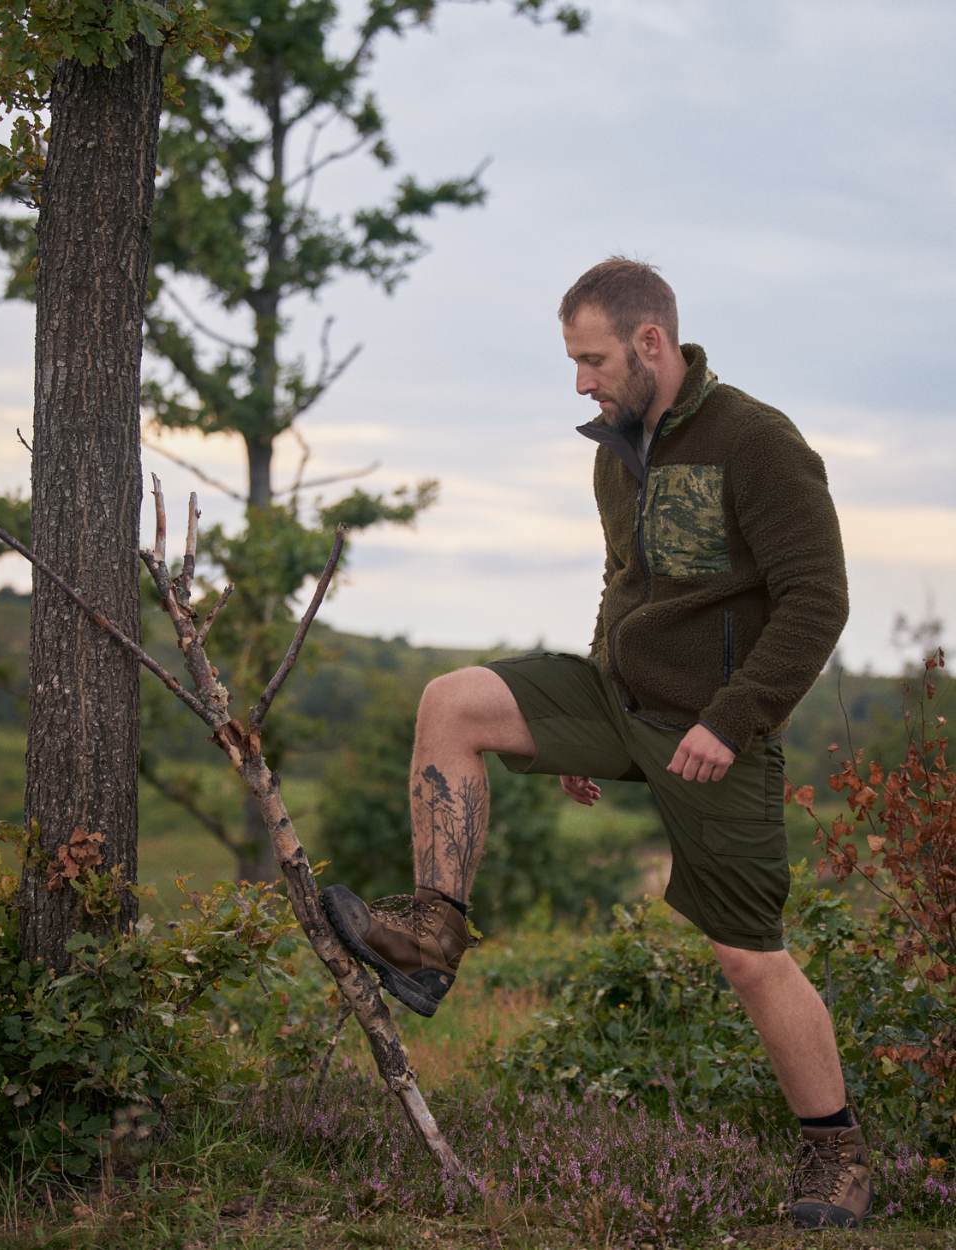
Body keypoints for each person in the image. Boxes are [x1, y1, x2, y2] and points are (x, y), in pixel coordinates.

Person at [321, 256, 872, 1229]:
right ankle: (432, 933)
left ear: (650, 342)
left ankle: (835, 1151)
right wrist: (584, 711)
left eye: (592, 359)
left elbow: (817, 599)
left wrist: (731, 717)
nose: (580, 381)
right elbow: (625, 589)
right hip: (619, 698)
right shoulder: (615, 447)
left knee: (750, 958)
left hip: (717, 729)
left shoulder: (756, 440)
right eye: (575, 362)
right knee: (452, 700)